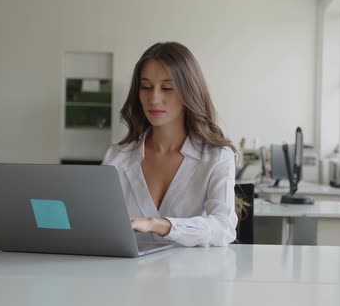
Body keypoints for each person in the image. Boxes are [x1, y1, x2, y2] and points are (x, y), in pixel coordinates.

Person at [102, 42, 241, 247]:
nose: (154, 98)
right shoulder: (117, 156)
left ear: (189, 92)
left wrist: (161, 225)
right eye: (146, 87)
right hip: (127, 276)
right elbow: (100, 224)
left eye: (167, 88)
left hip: (191, 276)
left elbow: (223, 228)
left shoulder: (217, 157)